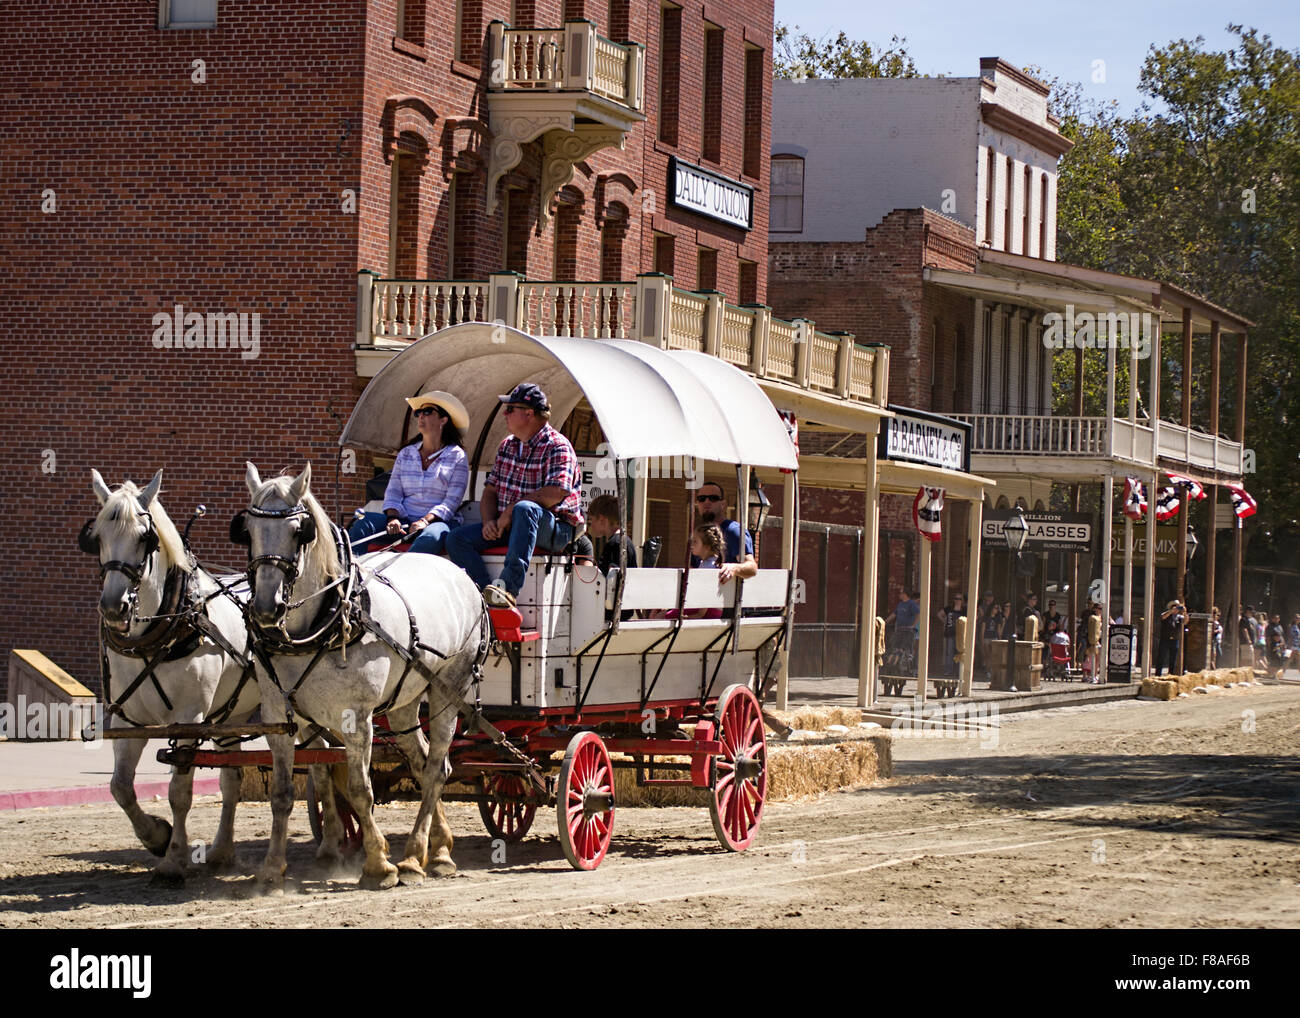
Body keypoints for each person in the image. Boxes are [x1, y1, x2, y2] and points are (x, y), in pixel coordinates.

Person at [445, 382, 583, 609]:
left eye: (510, 409)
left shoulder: (558, 446)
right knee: (456, 538)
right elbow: (490, 490)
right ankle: (484, 593)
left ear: (529, 414)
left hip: (555, 528)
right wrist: (489, 521)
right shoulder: (507, 446)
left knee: (524, 509)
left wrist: (508, 511)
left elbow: (556, 493)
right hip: (512, 525)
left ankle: (508, 589)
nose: (504, 414)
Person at [347, 391, 470, 555]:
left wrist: (424, 521)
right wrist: (393, 518)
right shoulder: (406, 453)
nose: (421, 416)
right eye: (418, 413)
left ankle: (404, 574)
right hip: (404, 522)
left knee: (431, 537)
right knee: (362, 523)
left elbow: (451, 502)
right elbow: (393, 492)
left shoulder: (457, 456)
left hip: (437, 523)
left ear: (443, 420)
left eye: (427, 412)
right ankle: (352, 576)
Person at [691, 480, 757, 585]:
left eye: (713, 498)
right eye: (701, 499)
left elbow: (752, 567)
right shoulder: (699, 534)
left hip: (727, 598)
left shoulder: (734, 531)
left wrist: (733, 568)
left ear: (723, 504)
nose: (706, 502)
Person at [586, 494, 637, 573]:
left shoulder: (615, 543)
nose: (590, 525)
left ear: (601, 519)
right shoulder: (623, 540)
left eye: (591, 520)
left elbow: (612, 579)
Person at [1156, 599, 1186, 676]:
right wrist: (1171, 611)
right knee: (1161, 658)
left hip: (1175, 640)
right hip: (1165, 639)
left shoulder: (1180, 617)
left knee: (1173, 660)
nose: (1176, 609)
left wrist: (1185, 612)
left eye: (1177, 607)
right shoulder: (1166, 614)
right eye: (1174, 607)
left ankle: (1171, 674)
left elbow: (1186, 621)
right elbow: (1163, 617)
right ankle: (1158, 674)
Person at [937, 594, 963, 677]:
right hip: (950, 633)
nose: (958, 600)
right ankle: (949, 671)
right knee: (950, 652)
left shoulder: (964, 609)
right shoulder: (949, 608)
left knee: (959, 652)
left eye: (960, 599)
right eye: (956, 598)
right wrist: (945, 621)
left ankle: (958, 671)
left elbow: (974, 617)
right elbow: (939, 614)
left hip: (960, 634)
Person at [1266, 612, 1288, 678]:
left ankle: (1276, 674)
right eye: (1275, 618)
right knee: (1273, 659)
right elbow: (1268, 637)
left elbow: (1281, 636)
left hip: (1280, 645)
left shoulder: (1279, 626)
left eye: (1278, 618)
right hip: (1273, 645)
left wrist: (1284, 644)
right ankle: (1271, 674)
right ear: (1272, 619)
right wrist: (1269, 646)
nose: (1276, 619)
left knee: (1279, 660)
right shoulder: (1270, 627)